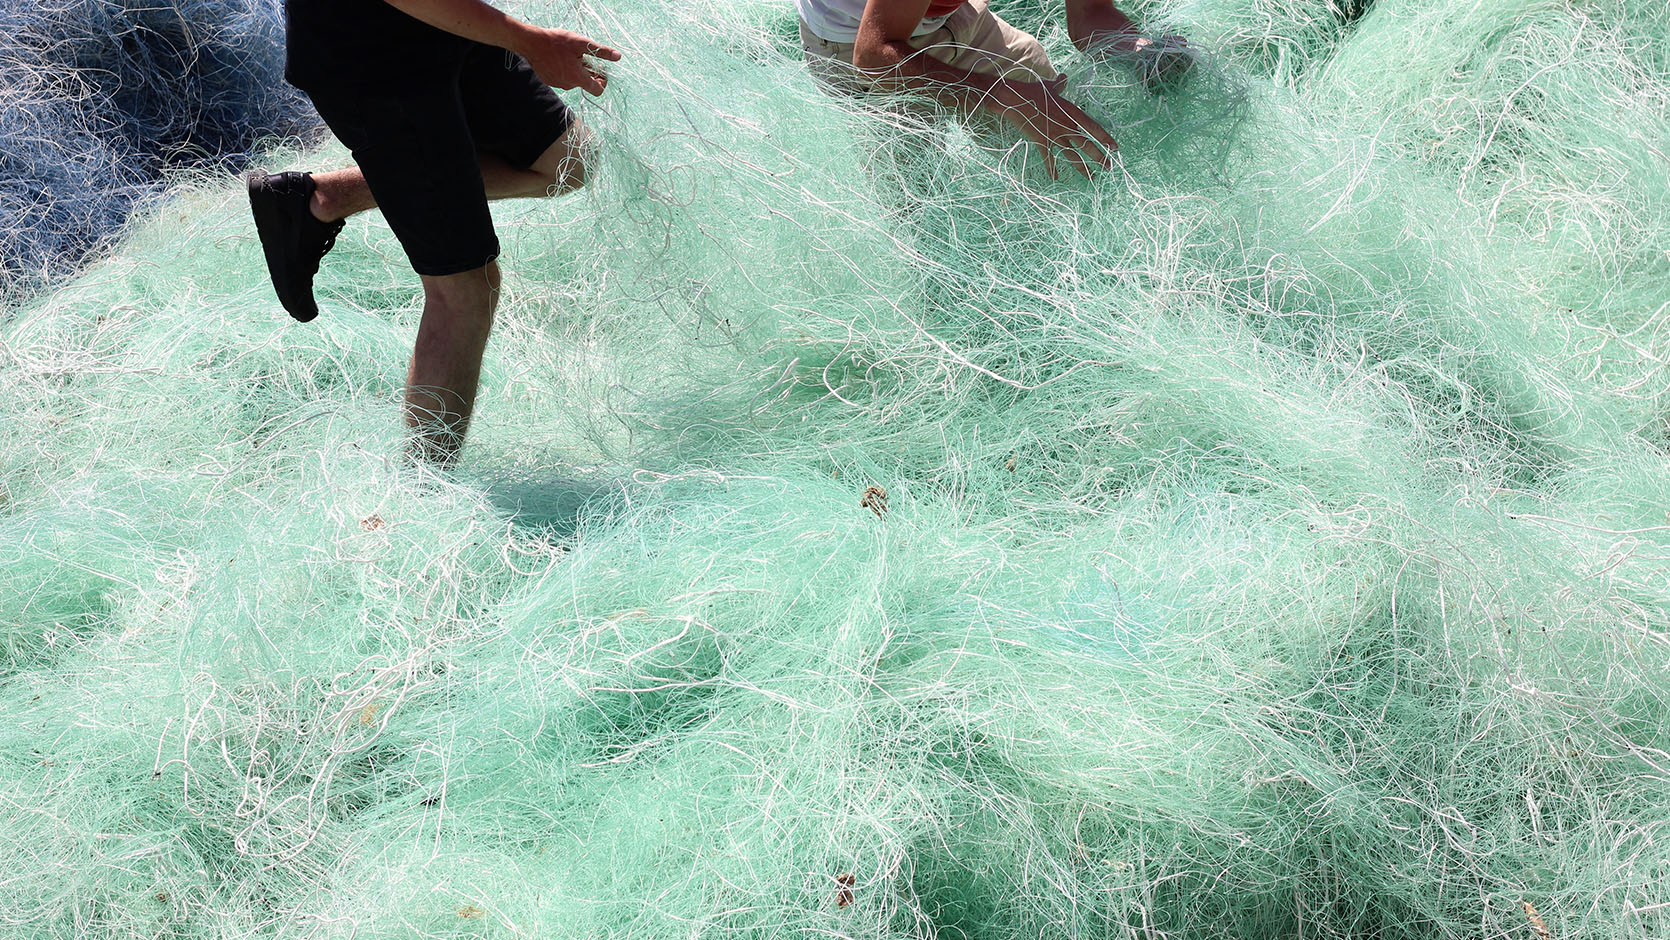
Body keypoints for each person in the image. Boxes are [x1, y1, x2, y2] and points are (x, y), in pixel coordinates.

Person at [249, 0, 621, 463]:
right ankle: (423, 492)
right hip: (375, 63)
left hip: (448, 25)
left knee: (569, 161)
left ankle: (321, 200)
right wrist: (529, 41)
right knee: (465, 290)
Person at [795, 0, 1188, 179]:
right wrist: (1002, 95)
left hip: (944, 11)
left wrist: (1139, 53)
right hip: (856, 43)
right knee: (919, 195)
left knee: (1052, 129)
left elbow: (1090, 15)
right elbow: (874, 55)